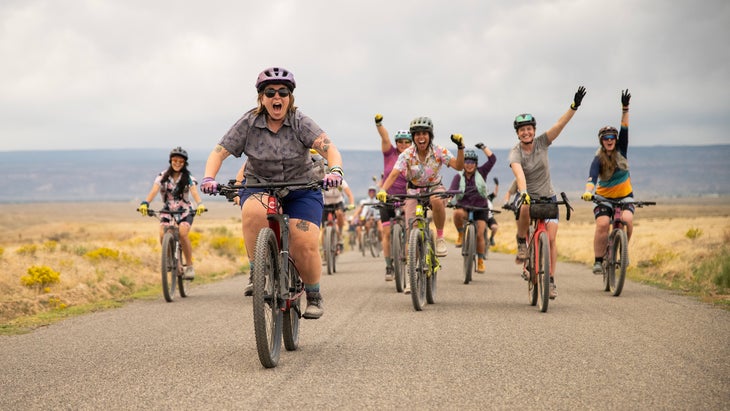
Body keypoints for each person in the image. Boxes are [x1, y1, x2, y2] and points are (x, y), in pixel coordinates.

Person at [200, 67, 344, 319]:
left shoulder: (300, 122)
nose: (277, 97)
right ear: (261, 97)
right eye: (270, 93)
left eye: (283, 92)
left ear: (290, 97)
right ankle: (258, 271)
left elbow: (329, 148)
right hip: (260, 185)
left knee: (304, 243)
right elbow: (219, 152)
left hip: (302, 187)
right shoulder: (248, 123)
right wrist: (209, 177)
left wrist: (335, 171)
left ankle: (313, 294)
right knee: (253, 214)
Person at [509, 86, 587, 300]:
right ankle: (522, 243)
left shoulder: (543, 142)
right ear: (517, 133)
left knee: (551, 239)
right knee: (524, 205)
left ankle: (550, 279)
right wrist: (523, 191)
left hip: (548, 197)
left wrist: (574, 107)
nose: (526, 132)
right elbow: (519, 174)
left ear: (534, 130)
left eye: (529, 129)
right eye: (522, 130)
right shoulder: (515, 153)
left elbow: (560, 125)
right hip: (528, 196)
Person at [377, 116, 465, 257]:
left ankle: (440, 238)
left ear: (430, 135)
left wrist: (460, 147)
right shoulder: (407, 155)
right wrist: (383, 190)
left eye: (424, 133)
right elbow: (393, 174)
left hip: (434, 187)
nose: (421, 137)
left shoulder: (439, 151)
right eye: (417, 134)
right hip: (414, 190)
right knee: (412, 231)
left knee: (436, 199)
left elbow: (459, 166)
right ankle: (415, 270)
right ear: (414, 137)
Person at [582, 89, 633, 275]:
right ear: (601, 141)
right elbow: (592, 177)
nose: (610, 140)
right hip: (604, 197)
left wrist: (625, 109)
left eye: (612, 137)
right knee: (603, 224)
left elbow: (625, 129)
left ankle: (623, 251)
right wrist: (589, 191)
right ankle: (598, 260)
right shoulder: (598, 158)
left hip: (625, 196)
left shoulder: (622, 151)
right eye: (606, 138)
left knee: (627, 220)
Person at [138, 147, 206, 280]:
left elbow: (194, 191)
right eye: (175, 160)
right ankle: (168, 258)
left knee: (183, 233)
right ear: (170, 161)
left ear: (184, 163)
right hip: (168, 210)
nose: (177, 163)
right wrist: (145, 203)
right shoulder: (162, 176)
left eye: (181, 161)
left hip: (184, 210)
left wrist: (200, 204)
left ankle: (189, 266)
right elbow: (154, 190)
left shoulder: (188, 177)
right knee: (163, 233)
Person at [374, 114, 411, 281]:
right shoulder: (389, 153)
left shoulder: (413, 156)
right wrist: (379, 124)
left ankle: (407, 259)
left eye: (406, 142)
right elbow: (384, 137)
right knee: (387, 232)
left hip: (406, 197)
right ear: (397, 143)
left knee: (410, 230)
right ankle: (389, 265)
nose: (403, 144)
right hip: (387, 197)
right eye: (400, 141)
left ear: (411, 144)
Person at [448, 144, 496, 273]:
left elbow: (493, 160)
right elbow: (452, 190)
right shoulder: (459, 176)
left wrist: (484, 147)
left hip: (480, 209)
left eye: (472, 162)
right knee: (457, 213)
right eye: (466, 162)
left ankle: (480, 261)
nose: (469, 164)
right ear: (463, 163)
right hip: (464, 207)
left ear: (476, 164)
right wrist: (448, 199)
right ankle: (460, 233)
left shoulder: (482, 172)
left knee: (480, 235)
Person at [353, 186, 382, 251]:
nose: (371, 193)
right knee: (367, 225)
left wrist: (376, 217)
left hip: (377, 217)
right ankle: (369, 237)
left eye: (373, 191)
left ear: (375, 192)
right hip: (369, 218)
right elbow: (365, 209)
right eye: (370, 191)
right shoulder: (366, 201)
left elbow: (379, 210)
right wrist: (362, 216)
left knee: (380, 229)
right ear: (368, 193)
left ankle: (380, 241)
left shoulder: (378, 200)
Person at [486, 177, 499, 247]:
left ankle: (491, 238)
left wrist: (497, 185)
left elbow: (495, 193)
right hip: (480, 216)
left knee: (495, 227)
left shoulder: (489, 197)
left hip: (489, 217)